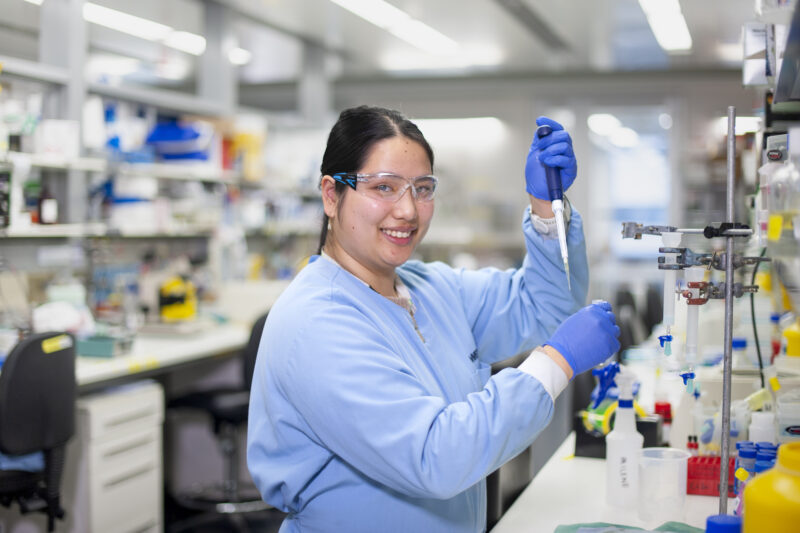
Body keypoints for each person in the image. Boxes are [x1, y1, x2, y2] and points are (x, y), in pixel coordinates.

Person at [247, 105, 620, 533]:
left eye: (422, 189)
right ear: (331, 195)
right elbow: (434, 456)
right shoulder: (316, 322)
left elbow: (546, 307)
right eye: (384, 187)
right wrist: (556, 361)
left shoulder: (431, 289)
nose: (408, 210)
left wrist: (544, 209)